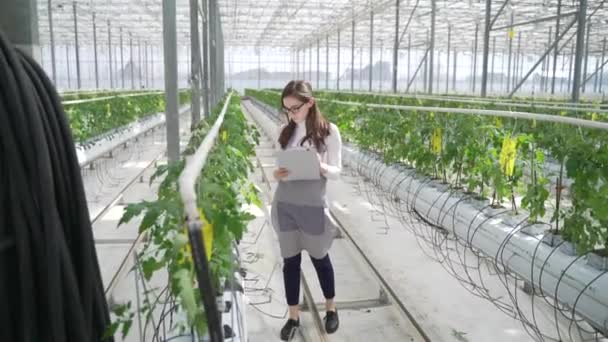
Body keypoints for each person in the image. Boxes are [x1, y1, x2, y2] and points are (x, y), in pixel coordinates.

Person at [270, 80, 342, 340]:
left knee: (320, 258)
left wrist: (322, 167)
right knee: (290, 262)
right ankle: (293, 316)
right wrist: (277, 173)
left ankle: (331, 308)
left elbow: (337, 171)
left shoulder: (328, 131)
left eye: (295, 108)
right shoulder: (284, 132)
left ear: (310, 103)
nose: (291, 114)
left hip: (312, 205)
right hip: (286, 204)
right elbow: (279, 169)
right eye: (287, 109)